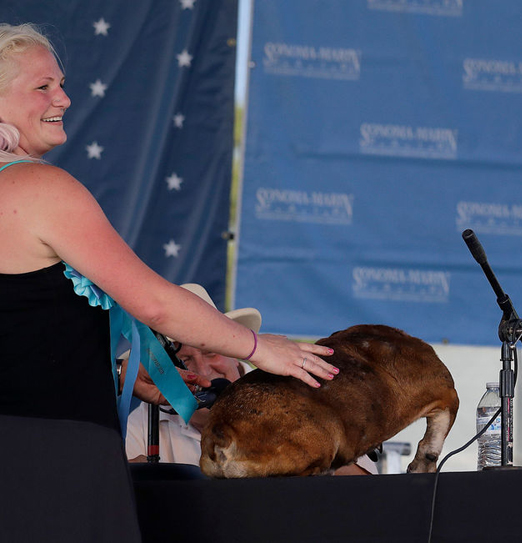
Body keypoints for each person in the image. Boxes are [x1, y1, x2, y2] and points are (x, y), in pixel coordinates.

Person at [0, 23, 335, 540]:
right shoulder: (36, 186)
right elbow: (155, 304)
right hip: (48, 457)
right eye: (42, 86)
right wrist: (258, 348)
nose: (63, 97)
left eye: (61, 83)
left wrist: (124, 376)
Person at [126, 283, 378, 474]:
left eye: (210, 352)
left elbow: (362, 487)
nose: (202, 370)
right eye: (184, 361)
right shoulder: (146, 421)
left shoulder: (298, 394)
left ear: (236, 354)